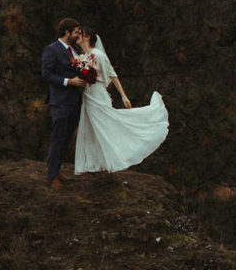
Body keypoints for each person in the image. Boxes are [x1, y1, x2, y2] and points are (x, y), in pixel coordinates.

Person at [73, 26, 169, 174]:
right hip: (88, 95)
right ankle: (96, 161)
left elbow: (112, 75)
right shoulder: (80, 58)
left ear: (87, 37)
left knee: (106, 124)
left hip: (97, 93)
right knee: (92, 126)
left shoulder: (98, 55)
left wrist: (123, 95)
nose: (77, 36)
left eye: (80, 34)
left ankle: (114, 157)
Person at [41, 18, 87, 188]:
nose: (78, 35)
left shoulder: (75, 49)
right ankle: (51, 176)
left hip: (75, 100)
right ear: (67, 32)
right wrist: (69, 81)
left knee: (66, 138)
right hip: (60, 101)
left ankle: (57, 170)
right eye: (75, 32)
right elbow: (46, 74)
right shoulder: (51, 50)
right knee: (58, 138)